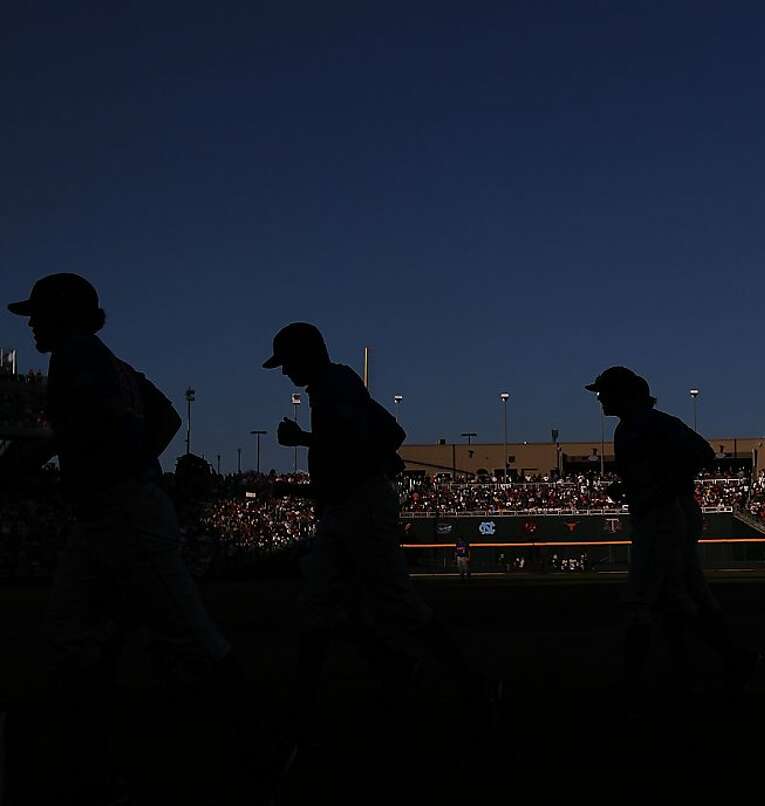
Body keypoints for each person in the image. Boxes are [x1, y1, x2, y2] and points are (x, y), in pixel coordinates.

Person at [3, 274, 240, 801]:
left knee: (190, 637)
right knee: (75, 634)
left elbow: (94, 430)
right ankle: (94, 751)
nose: (32, 324)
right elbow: (165, 416)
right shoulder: (110, 360)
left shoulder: (75, 355)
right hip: (109, 512)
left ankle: (254, 744)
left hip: (124, 511)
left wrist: (101, 466)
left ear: (64, 313)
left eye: (38, 314)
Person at [261, 323, 497, 732]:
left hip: (360, 505)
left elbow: (356, 444)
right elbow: (389, 433)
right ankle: (367, 679)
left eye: (287, 362)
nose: (285, 372)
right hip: (348, 504)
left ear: (306, 354)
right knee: (326, 605)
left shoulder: (334, 385)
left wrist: (303, 440)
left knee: (392, 603)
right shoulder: (338, 381)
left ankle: (468, 682)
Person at [585, 366, 755, 711]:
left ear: (626, 393)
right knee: (680, 598)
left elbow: (702, 453)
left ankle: (636, 683)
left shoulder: (651, 422)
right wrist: (630, 487)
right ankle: (717, 662)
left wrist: (662, 489)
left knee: (644, 599)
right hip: (660, 512)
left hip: (666, 515)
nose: (600, 398)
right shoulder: (629, 427)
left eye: (605, 392)